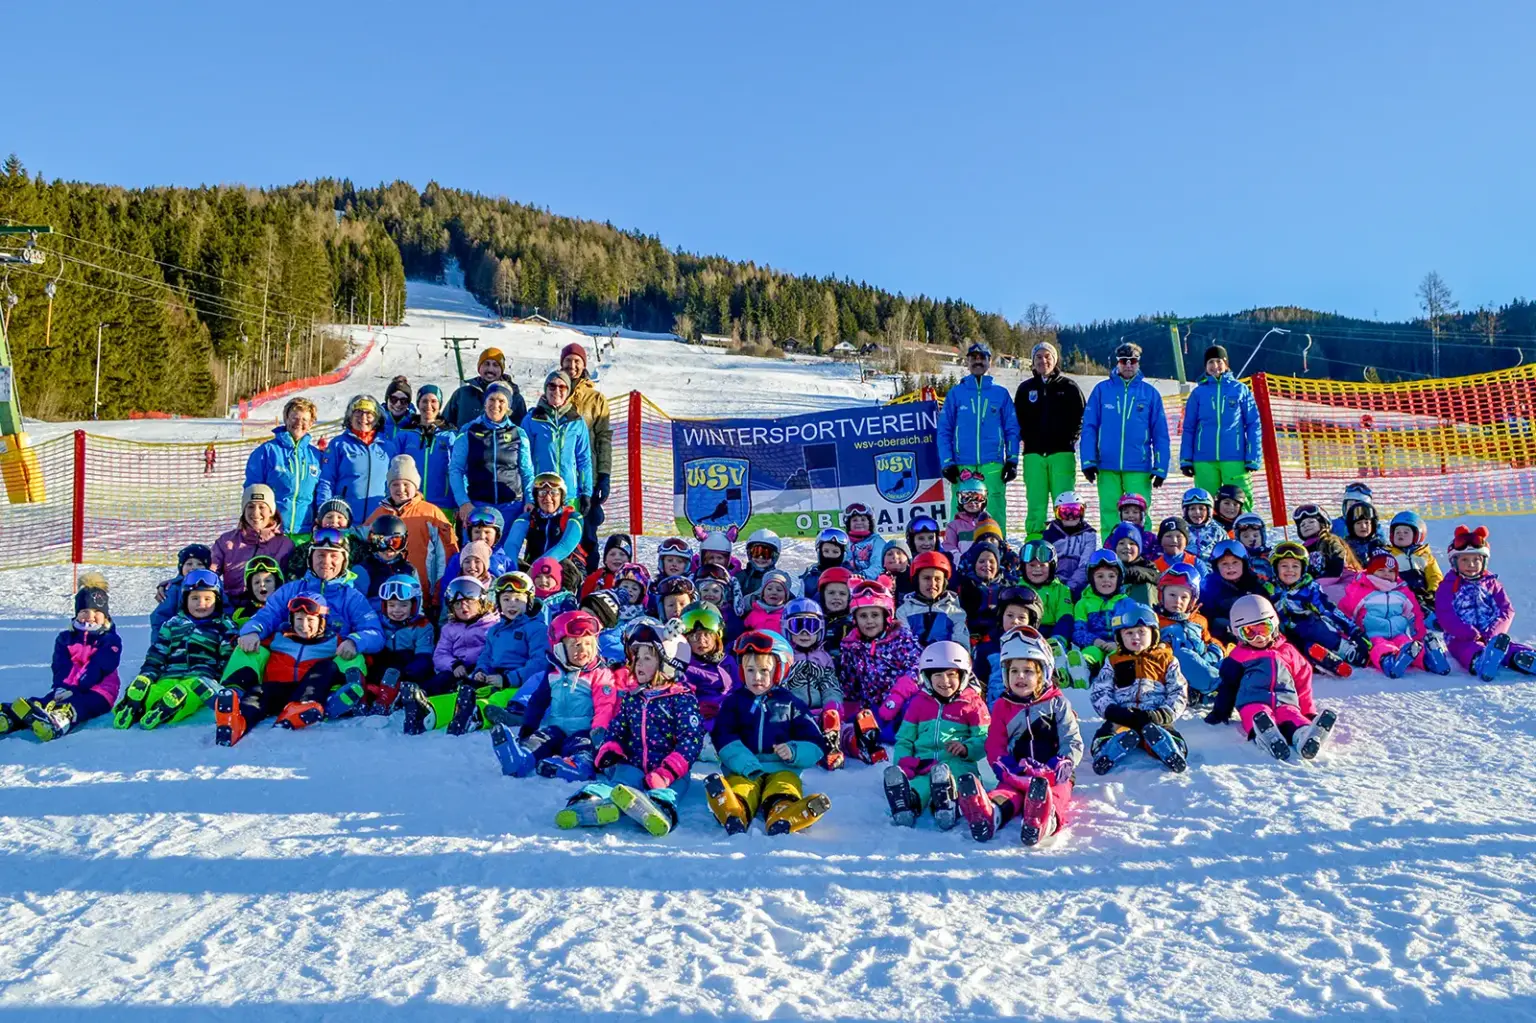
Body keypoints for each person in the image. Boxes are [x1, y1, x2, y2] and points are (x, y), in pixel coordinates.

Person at [563, 623, 701, 836]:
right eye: (637, 657)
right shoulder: (633, 696)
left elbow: (690, 741)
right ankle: (590, 802)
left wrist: (667, 772)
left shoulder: (682, 699)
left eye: (647, 658)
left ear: (668, 664)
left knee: (667, 792)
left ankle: (658, 810)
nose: (638, 663)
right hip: (633, 764)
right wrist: (611, 748)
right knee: (618, 783)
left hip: (670, 773)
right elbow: (618, 726)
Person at [703, 630, 832, 835]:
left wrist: (794, 751)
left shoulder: (792, 704)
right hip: (744, 768)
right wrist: (745, 763)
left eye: (764, 670)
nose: (756, 677)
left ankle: (784, 813)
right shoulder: (734, 703)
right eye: (750, 670)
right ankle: (733, 810)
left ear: (779, 671)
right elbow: (723, 736)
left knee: (784, 787)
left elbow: (815, 742)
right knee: (741, 787)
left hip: (782, 768)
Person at [962, 627, 1082, 845]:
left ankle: (1044, 820)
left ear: (1043, 674)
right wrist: (1005, 766)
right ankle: (989, 814)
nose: (1020, 676)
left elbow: (1071, 739)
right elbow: (995, 743)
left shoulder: (1057, 703)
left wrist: (1062, 763)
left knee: (1057, 794)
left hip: (1053, 774)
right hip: (1017, 771)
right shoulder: (1002, 706)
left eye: (1028, 671)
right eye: (1014, 671)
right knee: (1006, 793)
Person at [214, 593, 370, 744]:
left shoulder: (334, 641)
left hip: (309, 691)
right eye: (299, 619)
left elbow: (361, 658)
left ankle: (301, 709)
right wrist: (241, 639)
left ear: (322, 622)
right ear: (291, 619)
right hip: (278, 689)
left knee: (326, 666)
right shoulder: (279, 637)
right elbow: (250, 644)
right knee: (257, 691)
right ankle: (238, 721)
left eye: (310, 620)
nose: (304, 625)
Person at [492, 609, 623, 781]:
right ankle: (521, 759)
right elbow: (538, 702)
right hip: (557, 729)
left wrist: (599, 732)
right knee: (539, 739)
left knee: (583, 748)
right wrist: (529, 727)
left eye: (588, 644)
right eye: (576, 644)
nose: (583, 649)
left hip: (585, 732)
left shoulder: (600, 674)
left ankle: (578, 767)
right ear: (559, 647)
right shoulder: (553, 673)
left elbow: (605, 706)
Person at [1205, 595, 1338, 762]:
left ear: (1274, 624)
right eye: (1249, 632)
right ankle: (1267, 735)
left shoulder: (1287, 651)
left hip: (1286, 701)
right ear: (1238, 633)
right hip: (1252, 702)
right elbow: (1228, 686)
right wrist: (1220, 712)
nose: (1259, 637)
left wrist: (1308, 712)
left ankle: (1305, 736)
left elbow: (1303, 683)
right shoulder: (1238, 656)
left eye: (1263, 629)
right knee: (1258, 715)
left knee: (1292, 716)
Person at [882, 641, 989, 830]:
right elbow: (905, 739)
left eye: (951, 674)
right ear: (927, 677)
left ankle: (948, 805)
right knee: (921, 784)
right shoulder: (919, 703)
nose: (944, 681)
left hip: (958, 762)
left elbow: (984, 738)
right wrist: (903, 762)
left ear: (963, 676)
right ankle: (907, 803)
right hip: (924, 763)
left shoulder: (972, 704)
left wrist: (966, 748)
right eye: (938, 675)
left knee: (960, 781)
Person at [115, 569, 236, 731]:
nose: (201, 604)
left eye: (207, 599)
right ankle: (140, 704)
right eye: (195, 598)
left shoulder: (223, 626)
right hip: (170, 674)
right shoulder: (172, 624)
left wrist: (219, 679)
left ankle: (157, 707)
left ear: (218, 600)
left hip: (201, 678)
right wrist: (149, 674)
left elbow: (227, 657)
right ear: (185, 600)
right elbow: (158, 653)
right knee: (159, 691)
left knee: (193, 693)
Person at [1, 584, 123, 741]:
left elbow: (99, 666)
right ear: (77, 614)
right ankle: (12, 716)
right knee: (47, 701)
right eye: (84, 611)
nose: (90, 616)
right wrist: (61, 686)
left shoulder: (109, 640)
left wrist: (77, 688)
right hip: (67, 688)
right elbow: (61, 665)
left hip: (100, 692)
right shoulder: (66, 638)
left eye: (97, 612)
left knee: (78, 704)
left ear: (105, 616)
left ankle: (60, 720)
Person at [1088, 602, 1189, 775]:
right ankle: (1106, 751)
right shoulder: (1114, 660)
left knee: (1170, 733)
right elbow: (1100, 690)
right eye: (1129, 633)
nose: (1136, 637)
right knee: (1105, 733)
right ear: (1119, 637)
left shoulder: (1166, 660)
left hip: (1154, 716)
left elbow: (1178, 691)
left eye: (1142, 632)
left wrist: (1163, 713)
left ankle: (1171, 750)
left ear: (1153, 633)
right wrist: (1112, 711)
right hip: (1124, 717)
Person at [1080, 342, 1170, 518]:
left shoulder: (1150, 393)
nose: (1128, 365)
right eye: (1123, 361)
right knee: (1110, 513)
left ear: (1138, 362)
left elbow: (1160, 434)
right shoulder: (1102, 390)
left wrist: (1161, 466)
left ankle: (1141, 538)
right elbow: (1089, 427)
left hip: (1138, 466)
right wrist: (1088, 460)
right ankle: (1110, 538)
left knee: (1139, 514)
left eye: (1133, 361)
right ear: (1117, 362)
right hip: (1107, 465)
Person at [1434, 525, 1536, 680]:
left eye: (1476, 559)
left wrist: (1494, 632)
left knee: (1506, 647)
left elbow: (1506, 610)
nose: (1471, 564)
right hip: (1461, 639)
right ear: (1454, 562)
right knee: (1467, 650)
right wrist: (1468, 632)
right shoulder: (1448, 586)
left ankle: (1522, 658)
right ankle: (1481, 661)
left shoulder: (1492, 584)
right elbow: (1445, 614)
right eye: (1465, 560)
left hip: (1491, 635)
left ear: (1484, 561)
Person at [937, 340, 1020, 525]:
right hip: (962, 465)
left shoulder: (1001, 394)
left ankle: (997, 543)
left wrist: (1012, 459)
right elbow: (944, 431)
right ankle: (957, 544)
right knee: (960, 515)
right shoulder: (956, 394)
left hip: (993, 465)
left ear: (989, 361)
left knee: (995, 512)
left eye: (982, 358)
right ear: (967, 362)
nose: (977, 361)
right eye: (973, 358)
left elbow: (1012, 429)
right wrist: (947, 462)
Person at [838, 579, 922, 757]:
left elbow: (916, 668)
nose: (869, 621)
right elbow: (849, 682)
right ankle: (858, 742)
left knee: (915, 709)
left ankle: (916, 738)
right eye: (863, 616)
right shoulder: (851, 645)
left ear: (886, 616)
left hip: (903, 700)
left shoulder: (901, 638)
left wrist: (896, 698)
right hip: (875, 706)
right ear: (855, 619)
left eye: (875, 615)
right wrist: (847, 710)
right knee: (858, 722)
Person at [1013, 341, 1086, 539]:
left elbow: (1082, 417)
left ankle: (1065, 541)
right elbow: (1016, 420)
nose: (1043, 361)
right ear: (1033, 361)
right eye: (1038, 357)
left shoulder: (1069, 387)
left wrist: (1070, 438)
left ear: (1055, 360)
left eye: (1047, 356)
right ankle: (1034, 542)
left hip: (1061, 454)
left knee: (1064, 503)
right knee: (1035, 503)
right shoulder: (1025, 389)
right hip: (1033, 454)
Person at [364, 455, 458, 600]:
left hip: (424, 593)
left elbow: (446, 555)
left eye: (406, 484)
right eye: (395, 484)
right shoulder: (379, 515)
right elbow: (361, 539)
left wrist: (438, 595)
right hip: (387, 597)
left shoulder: (430, 514)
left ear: (415, 486)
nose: (400, 489)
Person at [1177, 346, 1261, 507]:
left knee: (1240, 500)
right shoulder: (1198, 393)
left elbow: (1253, 424)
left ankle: (1244, 524)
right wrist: (1186, 459)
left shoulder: (1240, 390)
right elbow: (1189, 428)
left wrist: (1253, 456)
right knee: (1206, 502)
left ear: (1226, 364)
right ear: (1205, 366)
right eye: (1210, 362)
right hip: (1204, 459)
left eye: (1218, 361)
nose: (1215, 366)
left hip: (1235, 457)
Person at [1337, 553, 1443, 678]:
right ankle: (1389, 661)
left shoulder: (1402, 591)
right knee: (1379, 646)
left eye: (1391, 571)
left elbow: (1414, 615)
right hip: (1373, 634)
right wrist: (1347, 635)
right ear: (1371, 572)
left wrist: (1419, 635)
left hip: (1398, 633)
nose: (1386, 574)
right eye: (1381, 570)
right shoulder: (1360, 590)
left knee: (1408, 644)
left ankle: (1427, 660)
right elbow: (1345, 612)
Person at [449, 380, 536, 532]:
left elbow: (527, 472)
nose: (496, 405)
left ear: (508, 406)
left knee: (509, 547)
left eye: (501, 401)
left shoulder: (518, 434)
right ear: (485, 402)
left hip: (511, 506)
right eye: (492, 399)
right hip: (478, 506)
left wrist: (530, 499)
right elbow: (456, 469)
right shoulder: (469, 431)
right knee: (477, 547)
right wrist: (463, 502)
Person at [561, 343, 614, 571]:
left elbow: (604, 439)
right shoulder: (555, 392)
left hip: (586, 477)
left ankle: (588, 580)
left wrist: (604, 475)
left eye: (577, 361)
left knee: (587, 533)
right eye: (568, 361)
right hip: (559, 479)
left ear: (584, 365)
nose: (572, 366)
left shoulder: (596, 399)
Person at [779, 599, 844, 770]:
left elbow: (830, 685)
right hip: (796, 715)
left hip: (822, 714)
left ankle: (857, 742)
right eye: (797, 625)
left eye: (811, 626)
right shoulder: (784, 658)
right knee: (800, 731)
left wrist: (832, 705)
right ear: (786, 628)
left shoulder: (824, 658)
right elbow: (780, 689)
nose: (805, 632)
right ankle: (820, 749)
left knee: (841, 727)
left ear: (820, 629)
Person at [244, 396, 324, 535]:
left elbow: (322, 492)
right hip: (272, 531)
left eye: (304, 420)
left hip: (305, 532)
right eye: (294, 418)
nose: (299, 423)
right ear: (286, 419)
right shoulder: (266, 452)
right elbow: (252, 491)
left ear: (311, 423)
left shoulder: (316, 456)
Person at [523, 370, 595, 516]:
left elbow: (584, 459)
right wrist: (529, 495)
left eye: (562, 387)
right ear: (545, 389)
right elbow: (524, 461)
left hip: (569, 495)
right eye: (552, 386)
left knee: (569, 529)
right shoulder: (531, 419)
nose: (557, 391)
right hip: (542, 494)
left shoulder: (576, 421)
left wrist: (586, 492)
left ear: (568, 391)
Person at [364, 574, 437, 715]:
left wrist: (408, 672)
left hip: (406, 669)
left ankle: (390, 697)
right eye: (391, 605)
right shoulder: (379, 622)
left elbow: (424, 655)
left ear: (414, 606)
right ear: (384, 605)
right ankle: (367, 693)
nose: (397, 610)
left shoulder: (422, 626)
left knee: (403, 661)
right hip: (382, 667)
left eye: (403, 605)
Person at [1154, 565, 1225, 707]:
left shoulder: (1199, 620)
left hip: (1202, 664)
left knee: (1230, 660)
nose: (1177, 601)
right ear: (1162, 595)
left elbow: (1208, 640)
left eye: (1184, 597)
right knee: (1184, 655)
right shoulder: (1156, 621)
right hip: (1174, 671)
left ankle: (1222, 685)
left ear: (1192, 600)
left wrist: (1216, 650)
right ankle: (1218, 687)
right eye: (1172, 595)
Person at [210, 484, 296, 602]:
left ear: (271, 511)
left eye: (262, 507)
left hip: (271, 606)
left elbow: (293, 582)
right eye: (250, 506)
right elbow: (211, 573)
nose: (255, 513)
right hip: (233, 605)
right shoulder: (227, 541)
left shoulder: (284, 545)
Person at [320, 394, 393, 523]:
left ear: (376, 418)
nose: (363, 418)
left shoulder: (388, 447)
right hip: (344, 520)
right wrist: (324, 511)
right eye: (358, 412)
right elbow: (326, 480)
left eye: (369, 413)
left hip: (378, 521)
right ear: (350, 416)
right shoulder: (338, 444)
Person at [504, 472, 585, 583]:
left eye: (554, 493)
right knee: (509, 563)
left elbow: (565, 546)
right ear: (536, 497)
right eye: (542, 493)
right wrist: (512, 573)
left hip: (565, 570)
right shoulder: (528, 518)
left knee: (565, 565)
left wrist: (536, 567)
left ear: (561, 496)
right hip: (533, 572)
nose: (547, 498)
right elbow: (512, 545)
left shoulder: (573, 517)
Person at [392, 384, 458, 516]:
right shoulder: (405, 434)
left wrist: (460, 502)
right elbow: (393, 467)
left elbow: (459, 469)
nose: (428, 405)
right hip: (410, 503)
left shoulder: (450, 435)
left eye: (433, 401)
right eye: (424, 401)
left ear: (439, 405)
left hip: (444, 505)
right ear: (418, 403)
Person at [896, 551, 970, 647]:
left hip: (946, 654)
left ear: (944, 582)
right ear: (916, 580)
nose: (932, 583)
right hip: (915, 656)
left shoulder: (955, 612)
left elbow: (961, 644)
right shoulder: (904, 612)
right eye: (926, 578)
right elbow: (904, 644)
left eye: (937, 579)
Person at [444, 347, 526, 429]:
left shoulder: (515, 398)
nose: (490, 369)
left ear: (501, 370)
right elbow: (445, 424)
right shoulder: (462, 394)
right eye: (486, 364)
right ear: (479, 368)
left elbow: (522, 429)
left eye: (496, 365)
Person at [1042, 491, 1097, 598]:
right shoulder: (1050, 534)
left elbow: (1085, 564)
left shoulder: (1089, 534)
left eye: (1076, 512)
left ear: (1082, 513)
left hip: (1079, 584)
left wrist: (1071, 585)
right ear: (1057, 514)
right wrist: (1054, 582)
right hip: (1053, 582)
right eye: (1065, 512)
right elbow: (1045, 561)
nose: (1070, 517)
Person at [1386, 511, 1443, 615]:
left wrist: (1433, 592)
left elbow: (1435, 576)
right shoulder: (1388, 555)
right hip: (1399, 595)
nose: (1401, 534)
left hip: (1424, 595)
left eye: (1406, 532)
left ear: (1417, 536)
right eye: (1397, 532)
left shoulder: (1425, 557)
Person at [151, 543, 215, 635]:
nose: (194, 567)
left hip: (210, 635)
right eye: (189, 564)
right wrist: (160, 640)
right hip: (181, 636)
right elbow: (161, 616)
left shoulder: (214, 587)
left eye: (200, 564)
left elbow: (226, 608)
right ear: (181, 567)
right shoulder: (175, 588)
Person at [1180, 488, 1227, 561]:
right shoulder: (1181, 530)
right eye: (1192, 509)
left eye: (1201, 508)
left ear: (1209, 511)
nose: (1197, 512)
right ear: (1186, 511)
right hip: (1186, 566)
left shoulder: (1218, 532)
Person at [800, 527, 850, 597]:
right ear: (819, 552)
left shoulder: (850, 576)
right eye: (826, 551)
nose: (830, 555)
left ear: (843, 554)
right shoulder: (810, 577)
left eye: (835, 552)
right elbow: (802, 599)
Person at [379, 375, 417, 448]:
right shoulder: (376, 422)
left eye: (403, 401)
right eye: (394, 399)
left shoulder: (414, 425)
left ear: (408, 403)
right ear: (387, 399)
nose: (398, 404)